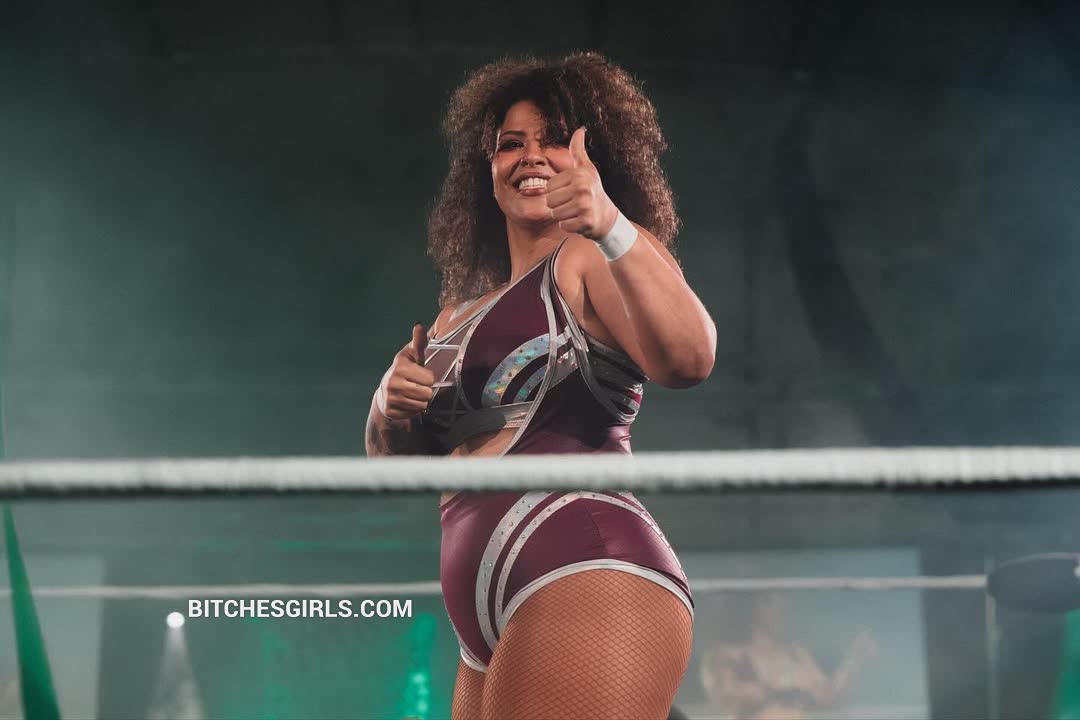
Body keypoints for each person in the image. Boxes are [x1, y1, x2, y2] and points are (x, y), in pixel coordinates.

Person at [365, 52, 716, 720]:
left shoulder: (595, 254)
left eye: (554, 138)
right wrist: (390, 405)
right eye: (510, 143)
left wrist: (608, 221)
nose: (531, 155)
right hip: (481, 614)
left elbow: (690, 359)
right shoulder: (451, 317)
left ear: (594, 159)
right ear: (486, 166)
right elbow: (393, 466)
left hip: (583, 563)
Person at [700, 592, 878, 720]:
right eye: (775, 604)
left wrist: (855, 659)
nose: (783, 612)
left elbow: (828, 696)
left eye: (783, 605)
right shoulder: (729, 657)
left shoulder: (796, 654)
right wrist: (788, 693)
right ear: (757, 608)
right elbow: (731, 695)